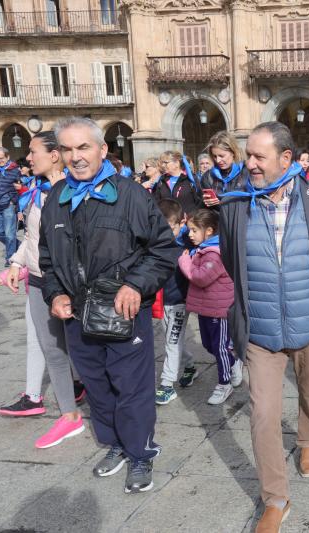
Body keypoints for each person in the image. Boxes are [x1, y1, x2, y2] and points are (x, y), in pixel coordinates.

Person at [38, 117, 178, 494]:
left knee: (130, 388)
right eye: (67, 149)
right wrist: (56, 294)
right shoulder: (55, 199)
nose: (75, 156)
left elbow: (164, 250)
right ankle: (115, 444)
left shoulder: (131, 195)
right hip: (77, 317)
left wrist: (135, 284)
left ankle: (141, 453)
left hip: (123, 312)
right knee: (98, 387)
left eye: (83, 147)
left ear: (102, 150)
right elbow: (48, 260)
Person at [219, 121, 309, 533]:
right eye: (248, 155)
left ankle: (308, 441)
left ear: (286, 158)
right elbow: (230, 258)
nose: (249, 164)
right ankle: (275, 497)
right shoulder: (234, 203)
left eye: (259, 156)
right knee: (263, 414)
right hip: (260, 329)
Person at [0, 132, 86, 449]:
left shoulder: (74, 193)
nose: (28, 158)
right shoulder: (38, 192)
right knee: (54, 352)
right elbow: (32, 241)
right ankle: (69, 416)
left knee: (86, 350)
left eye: (33, 152)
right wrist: (16, 265)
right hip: (38, 282)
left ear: (55, 155)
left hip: (70, 285)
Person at [178, 208, 242, 404]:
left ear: (209, 231)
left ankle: (224, 384)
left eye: (194, 230)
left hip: (219, 310)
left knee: (220, 347)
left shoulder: (214, 253)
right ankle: (233, 362)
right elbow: (180, 237)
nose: (190, 234)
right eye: (190, 230)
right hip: (206, 308)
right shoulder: (203, 248)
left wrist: (185, 261)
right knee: (209, 345)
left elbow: (200, 277)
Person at [154, 199, 199, 405]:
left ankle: (167, 384)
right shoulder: (156, 241)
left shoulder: (188, 241)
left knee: (172, 342)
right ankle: (190, 364)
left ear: (181, 223)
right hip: (162, 301)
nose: (165, 232)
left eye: (170, 227)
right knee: (173, 340)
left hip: (180, 300)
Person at [200, 131, 248, 208]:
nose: (218, 160)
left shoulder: (246, 172)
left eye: (221, 156)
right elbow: (204, 208)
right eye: (215, 156)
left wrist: (222, 203)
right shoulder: (208, 177)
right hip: (217, 218)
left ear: (233, 152)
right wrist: (206, 202)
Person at [152, 150, 202, 216]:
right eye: (162, 163)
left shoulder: (190, 179)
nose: (163, 165)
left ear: (176, 163)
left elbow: (199, 201)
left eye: (165, 162)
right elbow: (156, 201)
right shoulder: (162, 180)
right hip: (168, 222)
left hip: (188, 221)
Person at [0, 146, 21, 267]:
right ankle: (18, 245)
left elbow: (20, 189)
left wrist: (15, 204)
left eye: (1, 158)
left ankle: (10, 258)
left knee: (10, 234)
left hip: (8, 206)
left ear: (7, 157)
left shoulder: (15, 170)